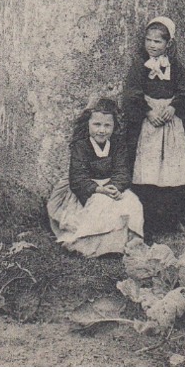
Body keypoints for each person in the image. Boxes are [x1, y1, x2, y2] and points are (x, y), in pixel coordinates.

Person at [123, 16, 185, 240]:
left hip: (170, 125)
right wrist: (147, 111)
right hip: (149, 124)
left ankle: (171, 218)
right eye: (148, 40)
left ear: (168, 44)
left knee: (171, 169)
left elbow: (184, 90)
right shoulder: (139, 65)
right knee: (147, 167)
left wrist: (174, 107)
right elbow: (132, 92)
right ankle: (148, 218)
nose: (152, 45)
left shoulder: (175, 67)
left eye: (158, 42)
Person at [47, 97, 144, 257]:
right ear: (88, 124)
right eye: (97, 124)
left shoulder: (117, 145)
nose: (102, 130)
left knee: (132, 201)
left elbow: (122, 172)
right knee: (101, 203)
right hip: (86, 190)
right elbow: (78, 178)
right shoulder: (81, 146)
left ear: (114, 126)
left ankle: (123, 244)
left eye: (107, 125)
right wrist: (99, 189)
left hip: (111, 187)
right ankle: (94, 246)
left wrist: (115, 187)